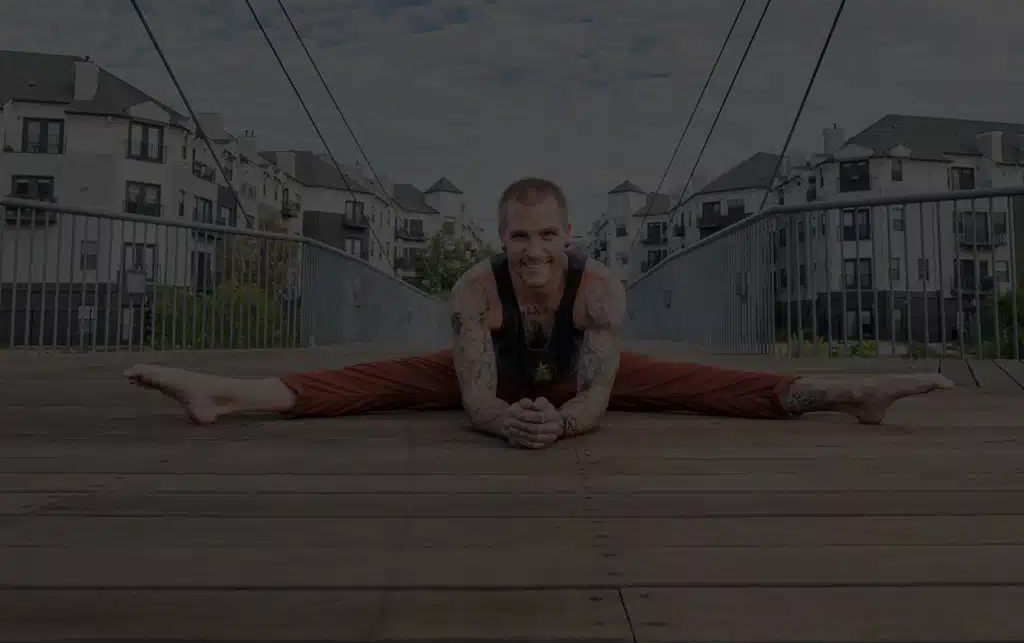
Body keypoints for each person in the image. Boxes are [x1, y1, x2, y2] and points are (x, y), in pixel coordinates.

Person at [126, 177, 953, 449]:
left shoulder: (598, 293)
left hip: (572, 390)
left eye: (547, 236)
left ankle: (855, 394)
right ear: (501, 238)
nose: (533, 252)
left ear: (569, 236)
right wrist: (500, 419)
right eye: (519, 237)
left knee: (704, 382)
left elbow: (595, 395)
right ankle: (221, 394)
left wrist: (566, 423)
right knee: (372, 380)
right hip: (503, 380)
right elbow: (477, 396)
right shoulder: (474, 292)